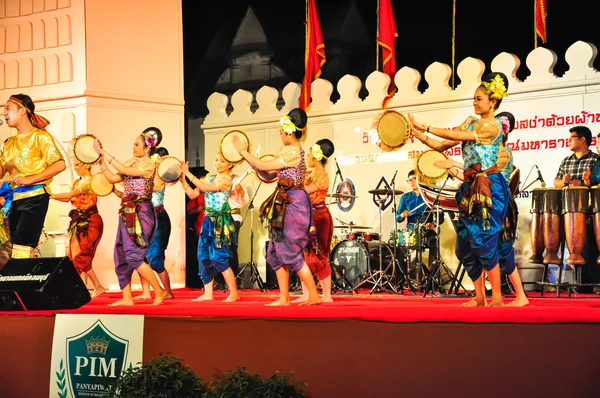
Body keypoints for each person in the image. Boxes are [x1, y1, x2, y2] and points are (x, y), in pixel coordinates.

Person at [408, 72, 511, 307]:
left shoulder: (492, 128)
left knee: (483, 240)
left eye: (479, 99)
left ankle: (496, 297)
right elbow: (443, 144)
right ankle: (479, 296)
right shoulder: (472, 122)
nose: (474, 103)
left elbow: (452, 134)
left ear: (493, 101)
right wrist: (416, 133)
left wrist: (424, 125)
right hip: (468, 187)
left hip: (487, 187)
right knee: (464, 245)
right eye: (474, 99)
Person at [232, 108, 321, 306]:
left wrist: (242, 152)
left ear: (290, 132)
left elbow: (266, 168)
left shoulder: (292, 151)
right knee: (274, 250)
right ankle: (284, 297)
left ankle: (313, 295)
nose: (280, 134)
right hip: (284, 201)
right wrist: (255, 165)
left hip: (293, 203)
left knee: (289, 249)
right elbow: (269, 175)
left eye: (281, 131)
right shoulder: (287, 152)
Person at [92, 127, 167, 306]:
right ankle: (127, 298)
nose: (133, 147)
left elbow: (124, 169)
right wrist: (101, 159)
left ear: (147, 148)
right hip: (127, 211)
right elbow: (112, 178)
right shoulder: (132, 162)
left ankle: (160, 290)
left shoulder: (147, 164)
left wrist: (105, 152)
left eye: (136, 144)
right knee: (121, 254)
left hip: (141, 213)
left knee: (134, 255)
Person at [0, 94, 66, 258]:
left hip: (35, 196)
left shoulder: (40, 136)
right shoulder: (9, 143)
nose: (4, 113)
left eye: (8, 108)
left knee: (23, 244)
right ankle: (21, 281)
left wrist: (30, 179)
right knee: (16, 246)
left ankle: (22, 282)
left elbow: (60, 164)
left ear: (23, 110)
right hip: (15, 198)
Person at [179, 153, 240, 302]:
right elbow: (193, 194)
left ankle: (234, 293)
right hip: (207, 222)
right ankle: (208, 293)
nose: (217, 163)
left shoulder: (226, 180)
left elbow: (205, 188)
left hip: (220, 221)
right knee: (203, 256)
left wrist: (187, 173)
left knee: (219, 257)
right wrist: (183, 182)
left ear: (230, 164)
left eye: (222, 161)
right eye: (216, 160)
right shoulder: (210, 177)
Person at [50, 159, 106, 298]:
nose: (74, 167)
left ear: (86, 165)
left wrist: (49, 195)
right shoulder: (77, 182)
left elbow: (69, 195)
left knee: (80, 255)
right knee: (74, 256)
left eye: (77, 165)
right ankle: (94, 287)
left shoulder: (90, 181)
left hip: (90, 221)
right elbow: (67, 198)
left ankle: (79, 289)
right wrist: (51, 197)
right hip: (78, 221)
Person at [294, 138, 335, 303]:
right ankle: (306, 293)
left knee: (320, 254)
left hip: (318, 216)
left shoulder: (322, 175)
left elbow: (305, 191)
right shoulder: (308, 172)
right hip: (305, 216)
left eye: (311, 153)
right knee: (303, 255)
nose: (308, 156)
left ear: (317, 156)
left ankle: (326, 295)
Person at [135, 147, 175, 300]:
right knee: (141, 257)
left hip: (158, 218)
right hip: (144, 218)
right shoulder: (145, 174)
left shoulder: (162, 176)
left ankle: (168, 291)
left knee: (156, 258)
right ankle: (146, 292)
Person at [396, 169, 445, 286]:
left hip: (426, 230)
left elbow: (441, 216)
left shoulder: (430, 196)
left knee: (433, 241)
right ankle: (409, 280)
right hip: (412, 231)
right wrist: (402, 214)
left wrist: (433, 224)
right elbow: (398, 217)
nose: (412, 182)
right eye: (410, 180)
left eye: (414, 179)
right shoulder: (406, 197)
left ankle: (431, 278)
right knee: (403, 250)